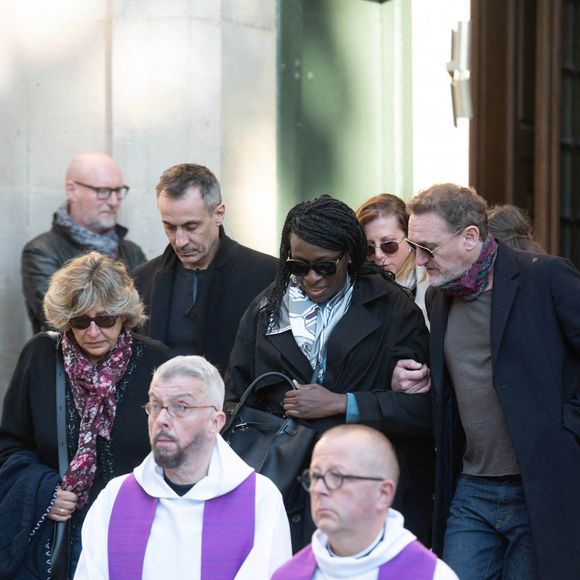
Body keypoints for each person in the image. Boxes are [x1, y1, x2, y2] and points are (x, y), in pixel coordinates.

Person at [225, 194, 433, 550]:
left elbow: (423, 411)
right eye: (297, 266)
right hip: (280, 492)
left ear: (349, 255)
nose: (311, 278)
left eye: (324, 266)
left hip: (362, 497)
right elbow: (234, 402)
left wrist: (343, 404)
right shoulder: (265, 309)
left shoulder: (393, 309)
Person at [406, 183, 580, 580]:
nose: (418, 261)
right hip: (471, 486)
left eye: (428, 248)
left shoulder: (545, 278)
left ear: (470, 237)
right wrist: (422, 380)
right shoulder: (439, 298)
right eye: (414, 246)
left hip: (538, 485)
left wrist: (569, 425)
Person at [0, 252, 170, 579]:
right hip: (59, 540)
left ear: (123, 316)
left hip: (134, 534)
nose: (93, 331)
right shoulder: (40, 357)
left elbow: (176, 449)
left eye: (105, 319)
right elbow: (11, 445)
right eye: (80, 320)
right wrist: (44, 491)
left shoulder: (155, 360)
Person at [74, 355, 292, 580]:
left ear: (215, 422)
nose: (162, 419)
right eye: (155, 405)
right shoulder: (115, 497)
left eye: (181, 407)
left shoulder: (259, 500)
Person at [133, 163, 277, 373]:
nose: (180, 240)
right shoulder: (142, 280)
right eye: (170, 227)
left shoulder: (267, 275)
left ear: (219, 214)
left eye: (191, 227)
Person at [273, 425, 458, 580]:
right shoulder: (288, 575)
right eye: (315, 476)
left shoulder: (431, 575)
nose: (319, 489)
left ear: (383, 493)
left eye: (336, 476)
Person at [21, 152, 146, 333]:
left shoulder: (132, 252)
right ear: (72, 191)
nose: (113, 202)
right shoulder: (41, 251)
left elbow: (144, 318)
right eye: (103, 191)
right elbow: (59, 320)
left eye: (118, 191)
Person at [356, 193, 430, 325]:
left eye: (389, 245)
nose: (378, 255)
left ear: (409, 239)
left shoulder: (433, 280)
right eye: (369, 248)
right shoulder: (356, 286)